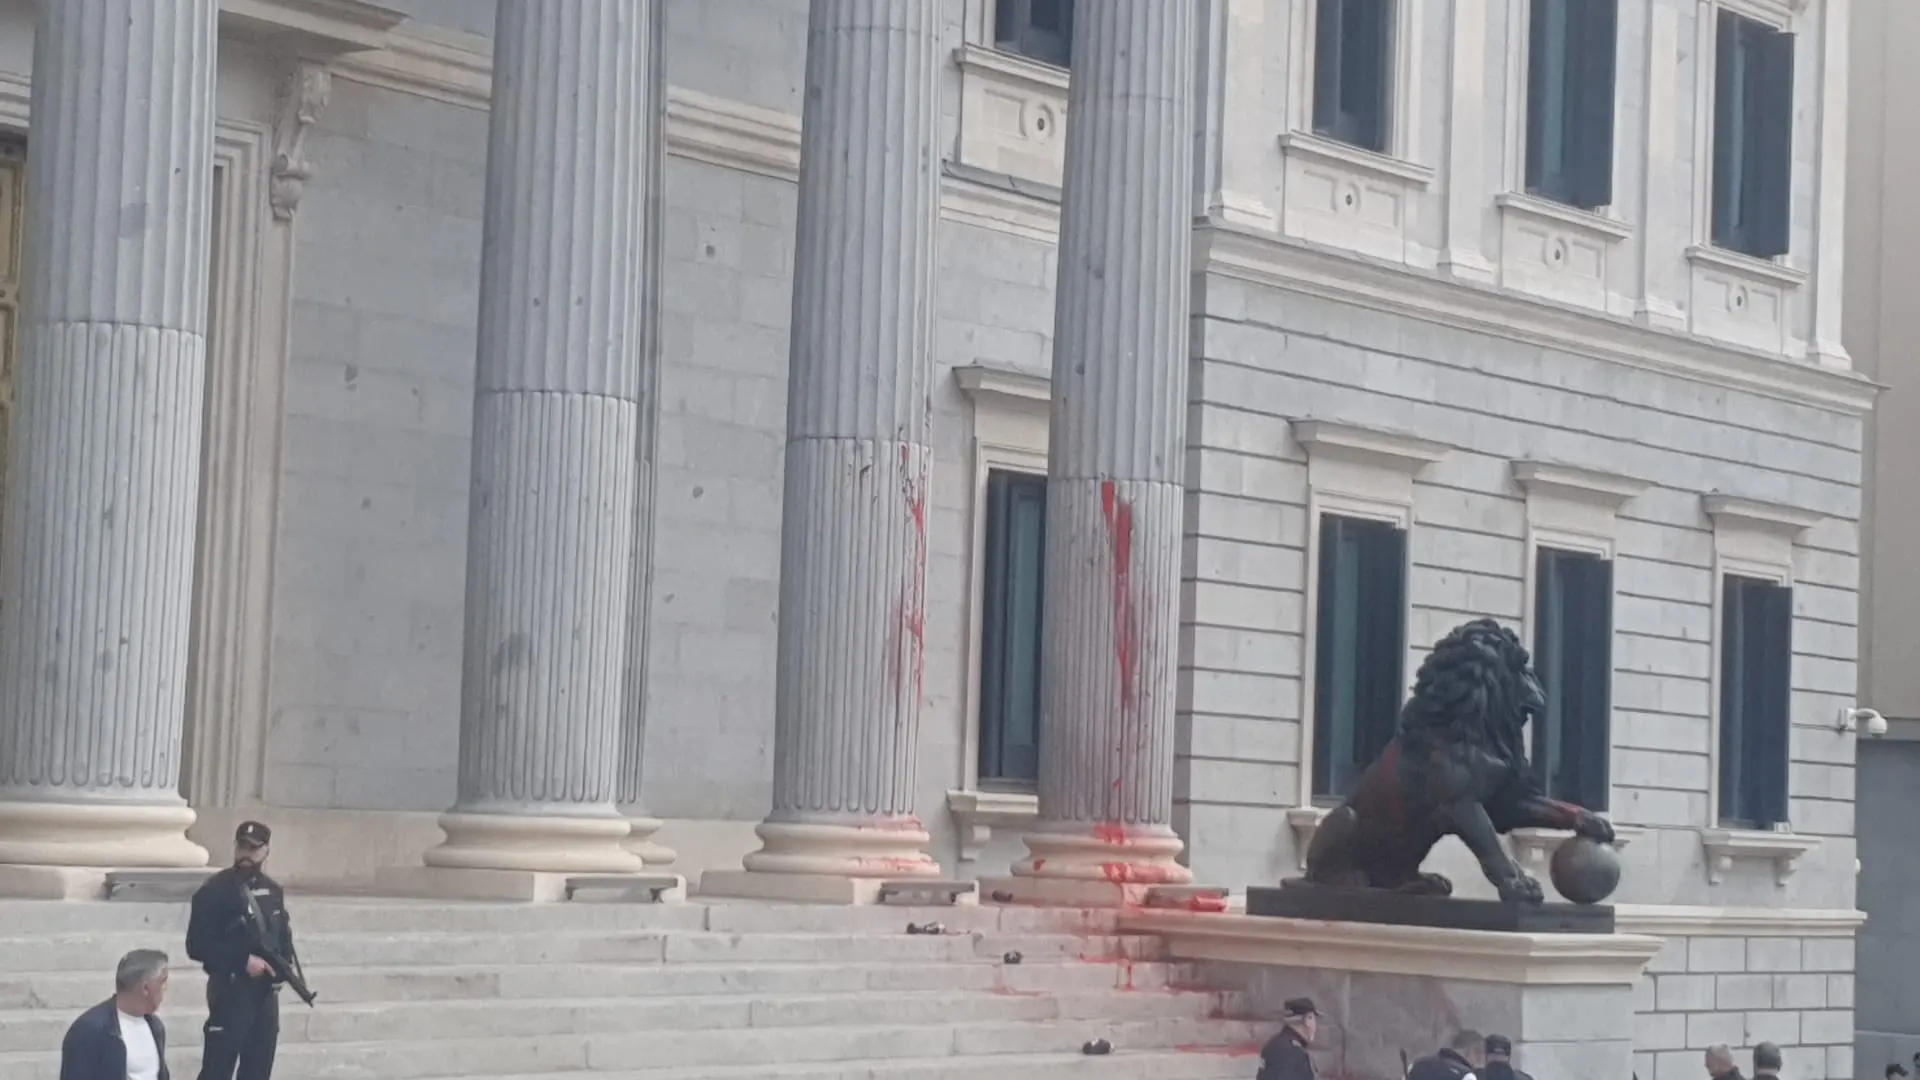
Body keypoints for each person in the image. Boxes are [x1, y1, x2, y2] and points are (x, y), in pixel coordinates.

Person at [186, 821, 293, 1080]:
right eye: (242, 847)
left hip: (265, 994)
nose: (247, 854)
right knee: (217, 1069)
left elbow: (282, 937)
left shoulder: (273, 891)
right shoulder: (215, 890)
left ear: (266, 851)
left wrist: (281, 970)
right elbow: (197, 945)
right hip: (230, 988)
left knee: (258, 1069)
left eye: (254, 849)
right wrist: (242, 961)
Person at [59, 949, 174, 1080]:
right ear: (145, 988)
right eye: (163, 981)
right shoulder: (89, 1030)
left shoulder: (155, 1027)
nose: (165, 988)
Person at [1257, 997, 1318, 1080]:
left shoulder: (1272, 1044)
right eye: (1313, 1018)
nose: (1315, 1026)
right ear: (1307, 1020)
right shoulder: (1295, 1052)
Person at [1408, 1030, 1485, 1080]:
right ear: (1469, 1049)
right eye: (1478, 1053)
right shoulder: (1466, 1076)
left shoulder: (1416, 1065)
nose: (1479, 1059)